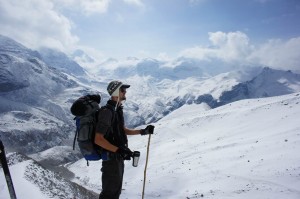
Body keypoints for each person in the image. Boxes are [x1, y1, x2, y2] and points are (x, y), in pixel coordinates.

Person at [94, 80, 154, 199]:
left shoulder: (116, 110)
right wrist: (119, 150)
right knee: (109, 194)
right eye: (122, 90)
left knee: (115, 193)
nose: (125, 92)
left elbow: (123, 130)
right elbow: (98, 139)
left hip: (117, 159)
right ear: (116, 92)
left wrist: (143, 131)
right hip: (111, 160)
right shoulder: (107, 112)